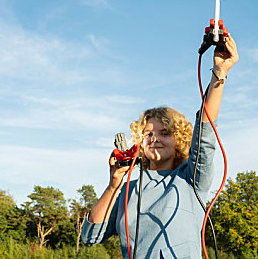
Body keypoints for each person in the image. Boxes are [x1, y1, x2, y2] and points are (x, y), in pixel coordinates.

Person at [81, 34, 239, 258]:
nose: (154, 138)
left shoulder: (191, 179)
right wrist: (113, 184)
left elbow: (205, 134)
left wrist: (219, 74)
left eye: (164, 133)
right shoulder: (127, 190)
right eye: (148, 134)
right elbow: (90, 237)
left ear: (180, 139)